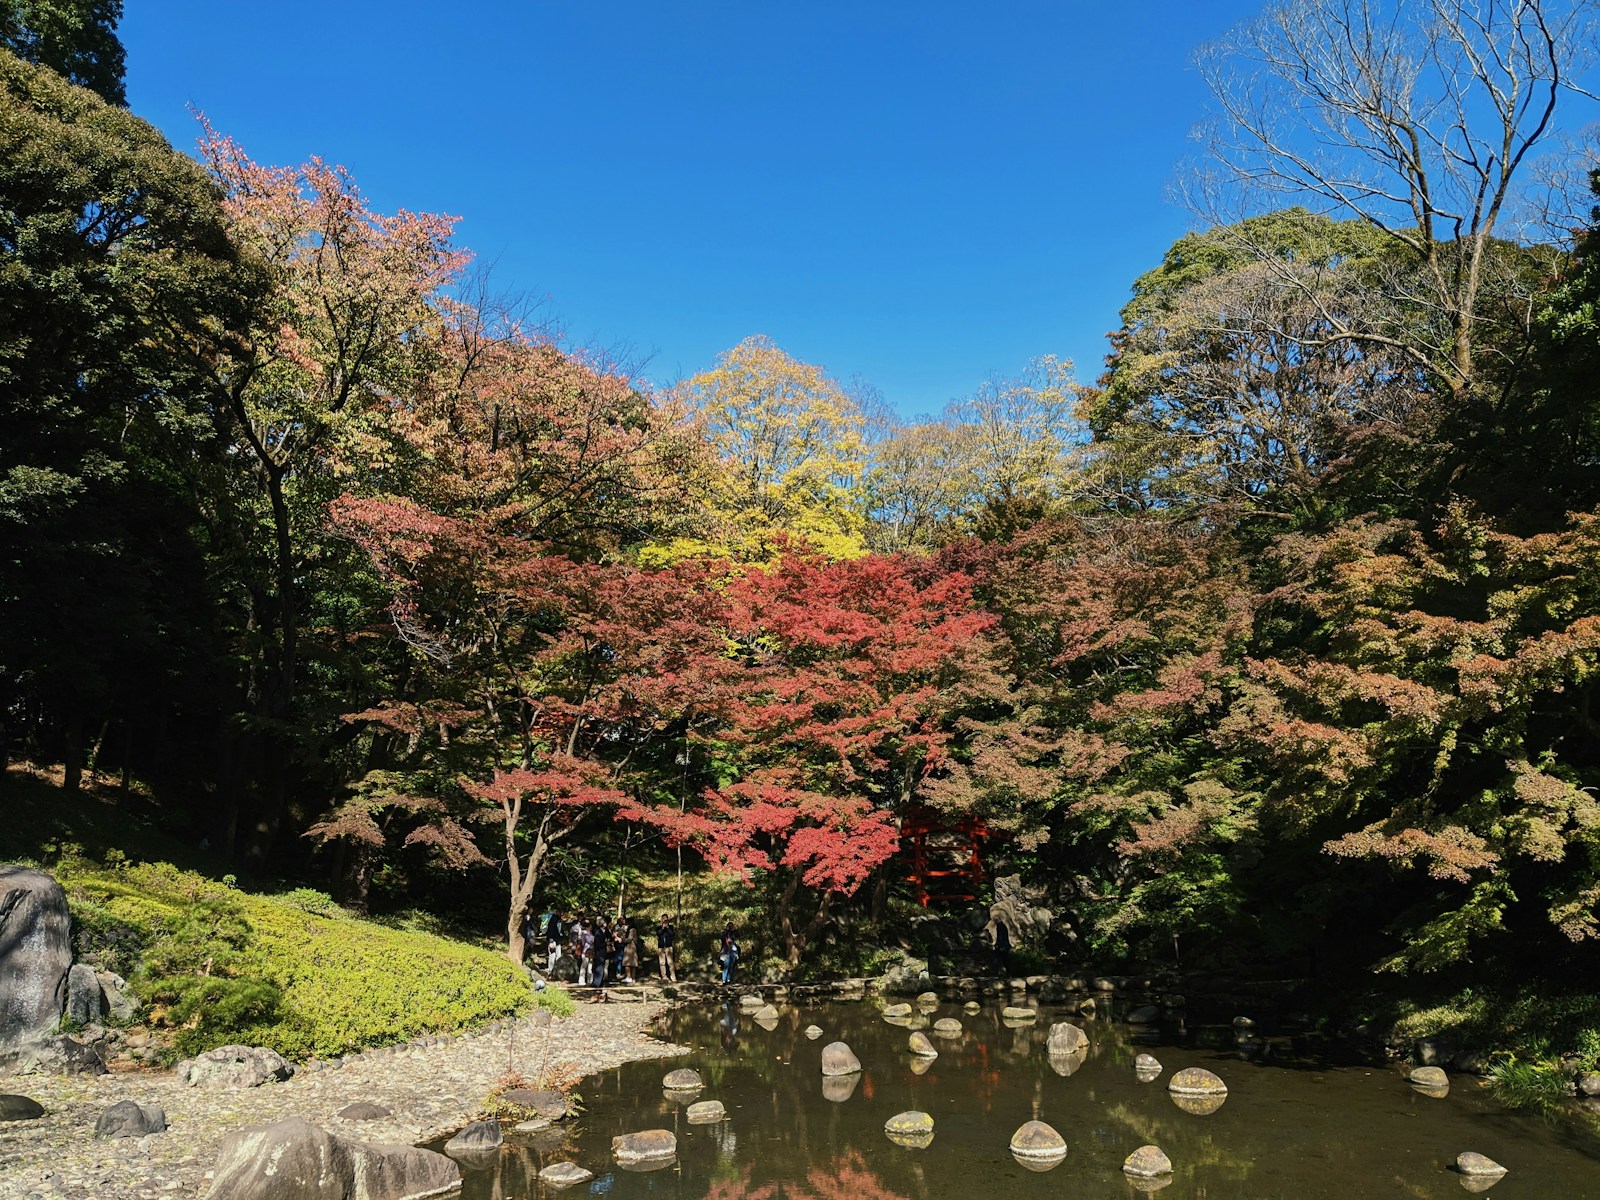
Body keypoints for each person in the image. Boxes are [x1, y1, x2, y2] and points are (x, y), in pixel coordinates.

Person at [656, 913, 676, 982]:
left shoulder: (671, 927)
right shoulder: (658, 927)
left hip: (668, 947)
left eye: (666, 918)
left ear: (668, 919)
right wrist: (662, 928)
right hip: (661, 947)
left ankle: (673, 977)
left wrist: (667, 928)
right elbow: (658, 934)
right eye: (663, 918)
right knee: (662, 963)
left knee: (670, 962)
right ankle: (664, 977)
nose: (664, 920)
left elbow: (672, 934)